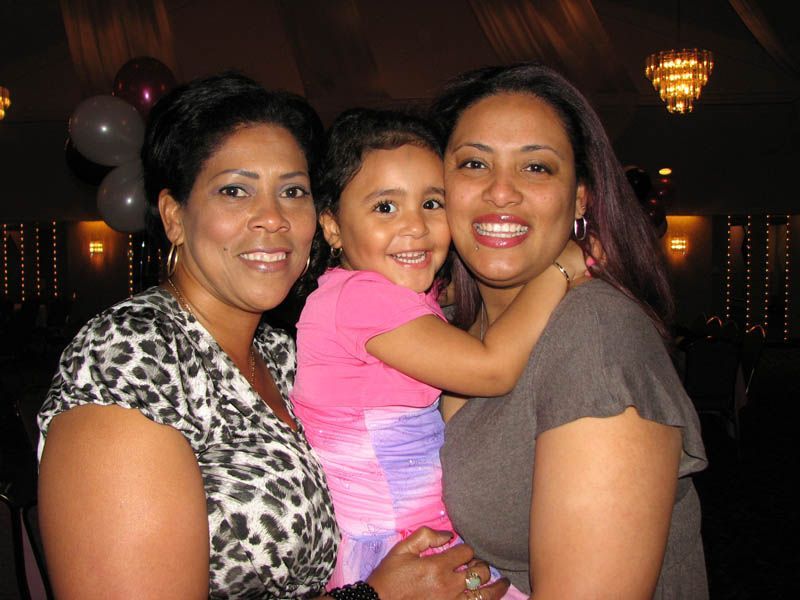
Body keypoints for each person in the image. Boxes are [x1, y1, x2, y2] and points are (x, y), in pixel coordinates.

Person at [36, 72, 509, 600]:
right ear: (174, 216)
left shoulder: (286, 356)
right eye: (235, 191)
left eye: (292, 191)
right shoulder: (133, 354)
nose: (272, 218)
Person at [433, 63, 709, 599]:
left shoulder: (594, 336)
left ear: (580, 197)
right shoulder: (443, 334)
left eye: (536, 168)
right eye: (473, 163)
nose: (501, 192)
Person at [291, 108, 585, 594]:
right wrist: (563, 268)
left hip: (420, 540)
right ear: (333, 227)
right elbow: (491, 369)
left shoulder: (377, 298)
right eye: (385, 207)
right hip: (397, 553)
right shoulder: (359, 299)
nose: (415, 226)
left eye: (432, 203)